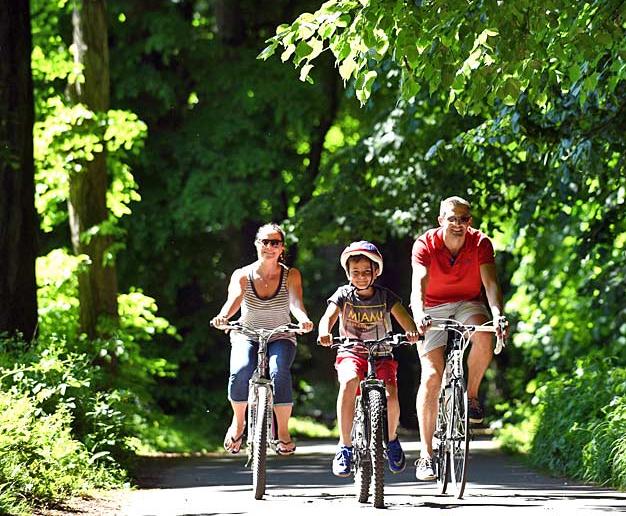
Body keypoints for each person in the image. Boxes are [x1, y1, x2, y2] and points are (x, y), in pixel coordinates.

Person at [409, 196, 508, 481]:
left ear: (470, 221)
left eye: (463, 219)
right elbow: (419, 284)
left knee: (484, 334)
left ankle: (472, 396)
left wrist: (498, 314)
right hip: (431, 307)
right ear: (441, 220)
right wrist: (418, 313)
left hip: (467, 303)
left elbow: (490, 284)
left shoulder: (480, 243)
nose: (457, 224)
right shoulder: (425, 244)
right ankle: (426, 455)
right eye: (452, 218)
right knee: (431, 375)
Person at [317, 241, 420, 477]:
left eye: (366, 272)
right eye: (355, 273)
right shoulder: (343, 294)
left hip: (382, 353)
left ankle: (392, 440)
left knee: (391, 393)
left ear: (376, 271)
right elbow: (328, 317)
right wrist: (325, 332)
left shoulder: (385, 296)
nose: (361, 277)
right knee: (349, 382)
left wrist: (412, 332)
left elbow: (405, 320)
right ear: (348, 274)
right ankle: (345, 446)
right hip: (351, 352)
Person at [211, 223, 314, 456]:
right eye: (264, 242)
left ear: (282, 248)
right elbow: (234, 300)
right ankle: (239, 423)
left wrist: (304, 319)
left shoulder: (291, 275)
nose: (269, 246)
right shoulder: (242, 275)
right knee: (242, 369)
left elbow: (295, 303)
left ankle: (283, 432)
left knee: (279, 371)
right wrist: (223, 317)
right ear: (257, 244)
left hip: (281, 334)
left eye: (274, 242)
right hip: (247, 333)